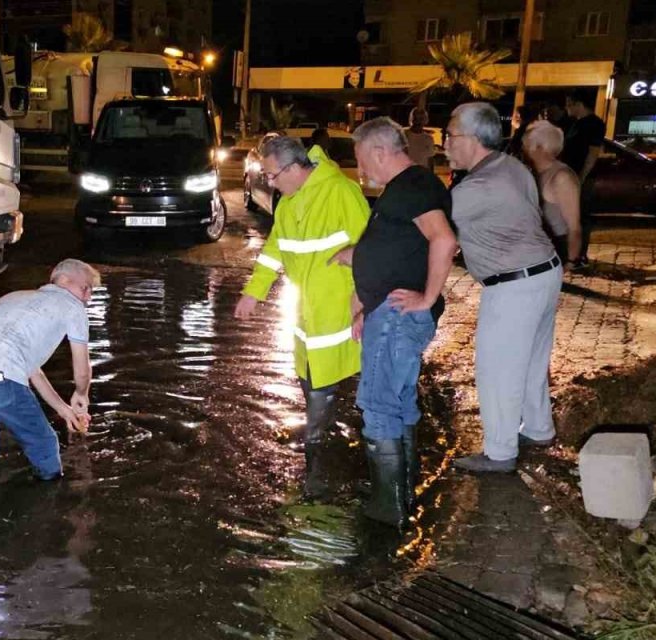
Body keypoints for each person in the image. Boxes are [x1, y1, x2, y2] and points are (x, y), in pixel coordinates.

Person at [234, 136, 371, 501]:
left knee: (331, 381)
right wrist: (253, 292)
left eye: (273, 175)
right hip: (307, 310)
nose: (270, 182)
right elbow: (274, 249)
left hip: (339, 308)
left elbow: (370, 251)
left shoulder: (342, 193)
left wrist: (363, 305)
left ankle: (320, 459)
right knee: (310, 376)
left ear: (294, 168)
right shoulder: (289, 202)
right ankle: (321, 444)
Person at [341, 117, 458, 525]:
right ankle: (404, 495)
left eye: (361, 159)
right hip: (388, 315)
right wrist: (365, 305)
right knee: (398, 403)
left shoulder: (412, 185)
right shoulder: (406, 189)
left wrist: (426, 298)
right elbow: (398, 249)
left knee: (377, 405)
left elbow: (444, 239)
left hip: (397, 318)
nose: (361, 170)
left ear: (378, 150)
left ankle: (387, 510)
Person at [445, 102, 563, 473]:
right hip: (544, 273)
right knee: (529, 363)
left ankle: (499, 453)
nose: (445, 144)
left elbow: (428, 224)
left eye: (451, 136)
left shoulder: (479, 186)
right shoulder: (511, 166)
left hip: (513, 285)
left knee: (498, 370)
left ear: (475, 139)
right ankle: (540, 428)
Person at [0, 259, 98, 481]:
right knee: (44, 443)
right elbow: (82, 369)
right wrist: (82, 393)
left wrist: (64, 409)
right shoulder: (71, 306)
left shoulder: (17, 297)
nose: (88, 297)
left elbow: (32, 370)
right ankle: (49, 501)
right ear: (63, 280)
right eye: (85, 288)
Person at [523, 121, 583, 266]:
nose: (523, 148)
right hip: (534, 247)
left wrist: (570, 260)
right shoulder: (533, 172)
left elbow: (573, 225)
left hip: (553, 249)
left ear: (539, 147)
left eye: (526, 144)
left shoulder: (561, 177)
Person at [562, 89, 605, 266]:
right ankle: (570, 253)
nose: (566, 108)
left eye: (568, 104)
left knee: (579, 216)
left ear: (578, 104)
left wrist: (580, 178)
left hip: (581, 178)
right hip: (569, 176)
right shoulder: (575, 123)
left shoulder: (594, 124)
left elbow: (593, 153)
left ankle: (579, 256)